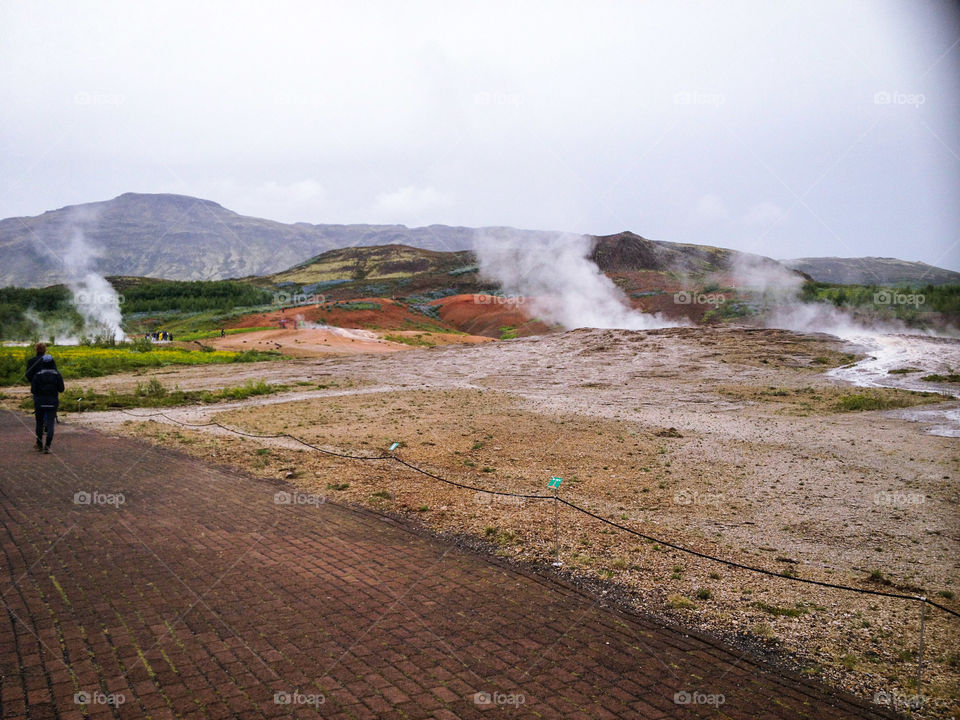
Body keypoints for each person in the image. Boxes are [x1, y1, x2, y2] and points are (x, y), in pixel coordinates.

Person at [31, 354, 64, 454]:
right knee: (50, 424)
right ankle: (48, 446)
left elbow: (33, 390)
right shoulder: (57, 374)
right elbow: (61, 389)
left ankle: (39, 444)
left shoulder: (37, 375)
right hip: (52, 402)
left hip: (40, 402)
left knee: (39, 423)